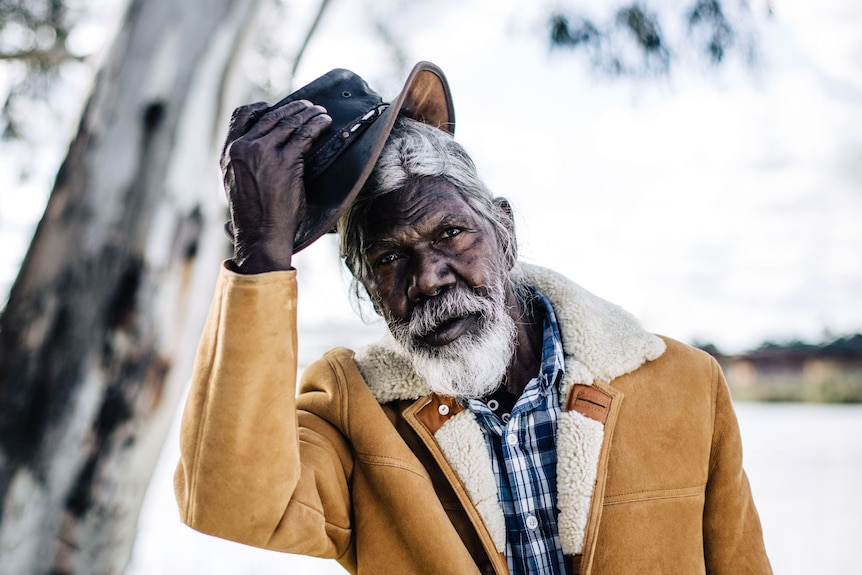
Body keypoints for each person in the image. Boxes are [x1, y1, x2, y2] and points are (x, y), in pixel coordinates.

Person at [174, 62, 772, 575]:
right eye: (389, 258)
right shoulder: (351, 411)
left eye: (451, 232)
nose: (428, 276)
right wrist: (260, 253)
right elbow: (228, 502)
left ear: (504, 231)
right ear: (369, 289)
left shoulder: (686, 385)